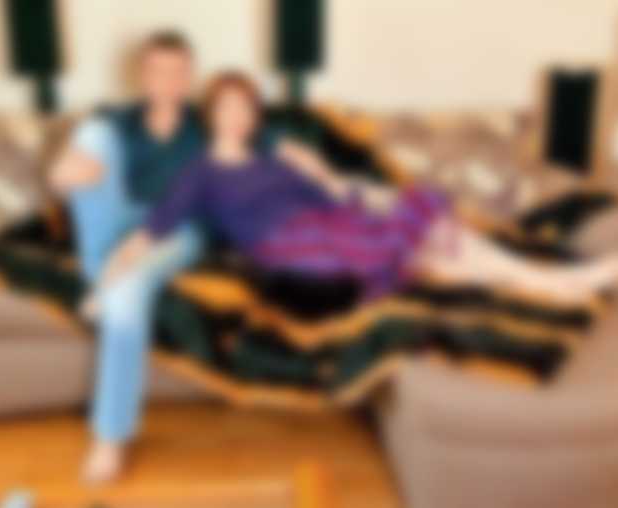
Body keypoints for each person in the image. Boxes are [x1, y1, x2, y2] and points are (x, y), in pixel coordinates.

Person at [50, 32, 363, 482]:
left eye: (177, 72)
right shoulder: (120, 120)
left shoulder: (206, 122)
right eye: (158, 71)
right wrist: (62, 173)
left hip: (178, 227)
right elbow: (77, 165)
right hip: (124, 217)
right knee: (94, 135)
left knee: (127, 294)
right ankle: (104, 273)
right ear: (142, 76)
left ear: (189, 77)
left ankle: (109, 437)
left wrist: (316, 168)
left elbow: (272, 141)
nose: (167, 81)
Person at [98, 71, 618, 331]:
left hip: (329, 226)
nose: (236, 115)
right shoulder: (200, 173)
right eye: (226, 106)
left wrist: (318, 169)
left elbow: (333, 196)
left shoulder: (274, 161)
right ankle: (559, 282)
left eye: (245, 107)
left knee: (439, 242)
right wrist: (107, 280)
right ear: (211, 114)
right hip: (294, 251)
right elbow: (151, 232)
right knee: (430, 243)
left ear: (254, 115)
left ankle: (554, 284)